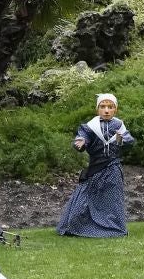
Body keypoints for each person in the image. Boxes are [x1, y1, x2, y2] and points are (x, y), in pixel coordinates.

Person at [57, 93, 134, 237]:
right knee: (85, 198)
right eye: (103, 106)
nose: (106, 110)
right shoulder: (91, 127)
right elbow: (82, 138)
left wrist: (121, 138)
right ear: (97, 109)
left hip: (113, 169)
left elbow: (129, 140)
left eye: (110, 107)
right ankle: (78, 227)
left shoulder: (118, 125)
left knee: (113, 200)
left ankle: (114, 229)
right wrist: (81, 143)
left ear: (115, 110)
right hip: (95, 169)